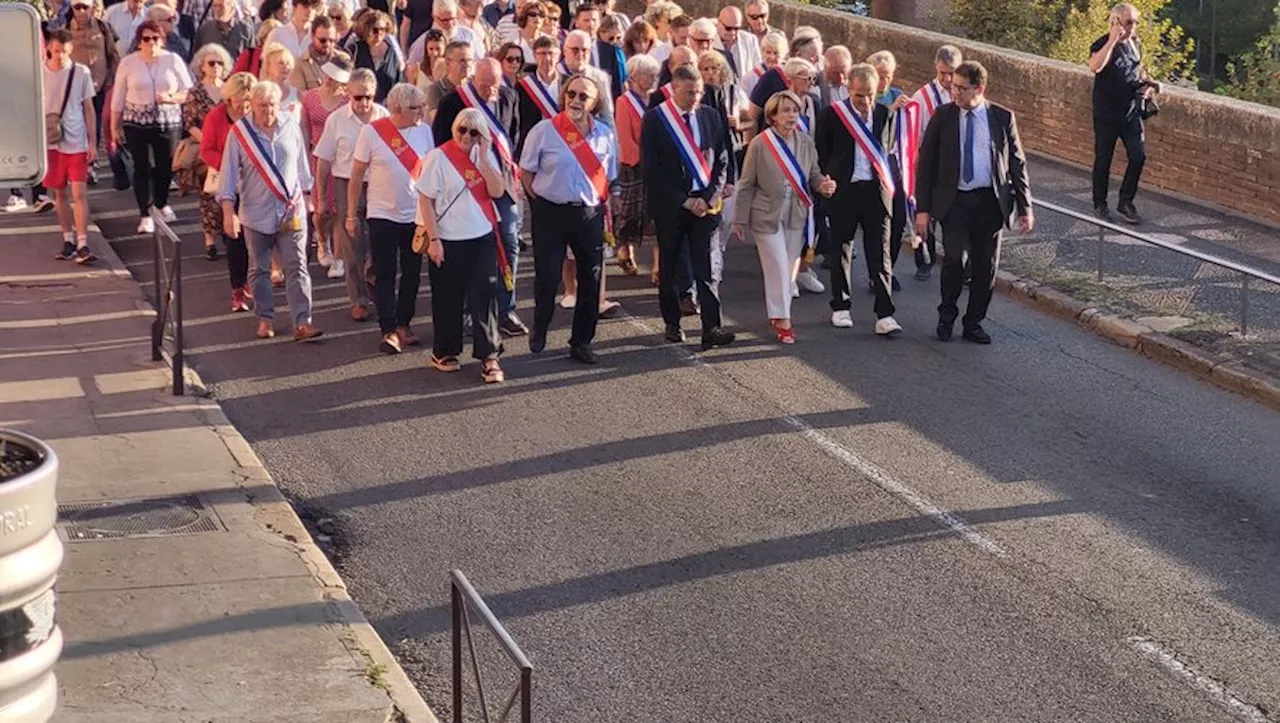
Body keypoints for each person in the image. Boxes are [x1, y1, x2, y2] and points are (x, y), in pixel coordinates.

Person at [915, 61, 1033, 345]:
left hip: (990, 202)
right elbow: (926, 164)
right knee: (954, 259)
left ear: (979, 88)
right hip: (954, 201)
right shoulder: (943, 116)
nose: (954, 92)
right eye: (953, 86)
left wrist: (1025, 207)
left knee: (985, 267)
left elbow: (1016, 163)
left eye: (961, 88)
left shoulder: (1002, 118)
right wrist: (923, 210)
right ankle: (947, 317)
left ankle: (974, 323)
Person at [519, 73, 619, 364]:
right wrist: (538, 203)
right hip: (550, 209)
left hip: (588, 212)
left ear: (595, 102)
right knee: (548, 276)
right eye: (571, 94)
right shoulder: (544, 130)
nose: (575, 100)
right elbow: (526, 171)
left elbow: (608, 176)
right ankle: (540, 325)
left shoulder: (604, 134)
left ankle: (582, 340)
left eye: (583, 96)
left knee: (591, 276)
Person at [217, 80, 324, 341]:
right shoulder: (240, 134)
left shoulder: (290, 126)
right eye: (262, 106)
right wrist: (228, 211)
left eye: (273, 105)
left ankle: (303, 321)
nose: (268, 111)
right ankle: (265, 319)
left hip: (291, 209)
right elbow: (228, 175)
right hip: (256, 213)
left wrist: (310, 199)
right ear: (251, 105)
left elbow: (301, 166)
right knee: (260, 269)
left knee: (297, 265)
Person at [432, 57, 527, 336]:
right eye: (484, 86)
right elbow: (441, 142)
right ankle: (468, 310)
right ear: (474, 79)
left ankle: (505, 308)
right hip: (466, 186)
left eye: (493, 85)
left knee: (509, 245)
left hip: (501, 183)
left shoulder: (509, 96)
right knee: (470, 249)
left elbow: (513, 135)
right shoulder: (453, 102)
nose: (489, 92)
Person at [641, 65, 734, 351]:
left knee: (707, 268)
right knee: (669, 266)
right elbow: (652, 169)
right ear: (674, 90)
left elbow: (721, 159)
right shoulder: (656, 119)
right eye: (689, 92)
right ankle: (672, 322)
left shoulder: (709, 116)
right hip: (672, 206)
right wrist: (683, 199)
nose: (695, 97)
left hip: (704, 205)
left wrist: (708, 197)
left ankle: (711, 327)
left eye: (698, 92)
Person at [732, 91, 835, 343]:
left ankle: (781, 312)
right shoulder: (760, 143)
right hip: (766, 213)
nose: (791, 116)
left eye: (795, 111)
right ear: (773, 116)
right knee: (777, 264)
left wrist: (824, 185)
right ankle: (782, 317)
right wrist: (739, 218)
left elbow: (814, 175)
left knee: (789, 267)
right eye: (785, 111)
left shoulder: (805, 142)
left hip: (796, 212)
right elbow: (746, 183)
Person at [415, 108, 508, 380]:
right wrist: (434, 240)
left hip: (480, 237)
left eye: (474, 132)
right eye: (462, 130)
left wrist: (484, 160)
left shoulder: (485, 156)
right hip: (447, 239)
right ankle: (445, 350)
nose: (467, 136)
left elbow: (497, 191)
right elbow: (426, 200)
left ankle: (489, 357)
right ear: (453, 130)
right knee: (447, 299)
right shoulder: (438, 157)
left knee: (485, 298)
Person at [348, 82, 434, 354]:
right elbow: (357, 174)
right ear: (396, 108)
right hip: (382, 214)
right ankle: (388, 329)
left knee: (411, 273)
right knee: (385, 273)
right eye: (415, 108)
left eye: (423, 107)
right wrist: (351, 214)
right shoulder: (372, 133)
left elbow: (430, 173)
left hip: (415, 215)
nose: (421, 112)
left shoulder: (425, 131)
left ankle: (404, 324)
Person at [817, 62, 901, 335]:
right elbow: (822, 152)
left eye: (869, 94)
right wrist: (825, 181)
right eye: (858, 95)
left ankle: (885, 314)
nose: (865, 101)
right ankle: (840, 306)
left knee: (880, 253)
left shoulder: (885, 114)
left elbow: (888, 152)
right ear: (848, 91)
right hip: (845, 190)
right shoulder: (833, 115)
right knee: (842, 248)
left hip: (875, 192)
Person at [314, 68, 388, 322]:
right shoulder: (336, 120)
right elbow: (323, 161)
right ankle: (358, 300)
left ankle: (377, 288)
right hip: (346, 184)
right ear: (348, 94)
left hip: (379, 183)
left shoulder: (384, 117)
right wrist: (322, 199)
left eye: (368, 96)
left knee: (380, 242)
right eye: (358, 97)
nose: (363, 103)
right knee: (352, 245)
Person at [112, 19, 192, 234]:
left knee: (165, 167)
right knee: (142, 167)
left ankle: (161, 202)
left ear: (162, 40)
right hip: (136, 120)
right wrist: (114, 126)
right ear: (139, 42)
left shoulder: (173, 60)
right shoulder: (128, 63)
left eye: (155, 39)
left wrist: (171, 97)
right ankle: (145, 213)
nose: (151, 43)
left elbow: (189, 92)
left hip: (168, 121)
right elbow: (118, 97)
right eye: (146, 39)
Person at [1089, 2, 1152, 225]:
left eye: (1135, 22)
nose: (1133, 27)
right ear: (1115, 21)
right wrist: (1113, 39)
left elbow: (1137, 70)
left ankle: (1125, 201)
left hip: (1130, 112)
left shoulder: (1135, 44)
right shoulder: (1102, 43)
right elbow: (1095, 66)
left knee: (1138, 156)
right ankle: (1100, 204)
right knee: (1103, 159)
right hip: (1106, 114)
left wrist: (1146, 86)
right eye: (1128, 22)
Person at [199, 72, 256, 312]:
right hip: (229, 182)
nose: (244, 107)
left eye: (248, 102)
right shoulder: (216, 117)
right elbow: (206, 150)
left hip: (254, 182)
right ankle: (237, 288)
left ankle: (253, 281)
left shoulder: (256, 116)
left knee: (255, 237)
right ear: (229, 98)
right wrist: (229, 163)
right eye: (239, 101)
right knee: (235, 239)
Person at [43, 30, 98, 264]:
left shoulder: (81, 72)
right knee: (59, 192)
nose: (58, 57)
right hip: (51, 139)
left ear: (70, 50)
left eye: (63, 52)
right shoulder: (41, 72)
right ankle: (68, 239)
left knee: (79, 193)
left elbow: (89, 108)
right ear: (49, 49)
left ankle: (83, 241)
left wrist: (93, 142)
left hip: (75, 138)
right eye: (55, 52)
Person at [909, 43, 961, 281]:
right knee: (925, 214)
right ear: (936, 68)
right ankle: (924, 261)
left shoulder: (964, 91)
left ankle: (958, 262)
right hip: (931, 162)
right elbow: (915, 134)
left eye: (952, 73)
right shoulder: (922, 97)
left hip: (956, 164)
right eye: (943, 73)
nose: (948, 79)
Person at [302, 57, 353, 278]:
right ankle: (323, 242)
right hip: (317, 157)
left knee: (340, 211)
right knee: (321, 210)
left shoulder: (349, 99)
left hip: (341, 159)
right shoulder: (309, 98)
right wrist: (303, 161)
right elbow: (304, 131)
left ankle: (339, 258)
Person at [183, 43, 232, 259]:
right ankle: (209, 239)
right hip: (206, 149)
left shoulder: (229, 90)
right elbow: (189, 122)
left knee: (228, 192)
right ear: (202, 66)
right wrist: (206, 140)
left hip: (229, 147)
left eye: (220, 63)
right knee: (207, 195)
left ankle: (227, 233)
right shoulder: (195, 92)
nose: (216, 67)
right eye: (211, 63)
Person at [869, 49, 911, 289]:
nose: (885, 81)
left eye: (888, 75)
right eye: (880, 75)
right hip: (876, 167)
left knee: (898, 221)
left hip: (897, 166)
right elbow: (873, 129)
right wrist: (892, 110)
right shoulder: (866, 98)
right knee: (879, 223)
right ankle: (877, 272)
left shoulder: (898, 94)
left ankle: (889, 267)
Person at [614, 53, 658, 282]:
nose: (653, 78)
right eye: (648, 74)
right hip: (634, 166)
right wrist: (641, 160)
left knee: (654, 218)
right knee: (630, 215)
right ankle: (625, 250)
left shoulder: (656, 99)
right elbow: (625, 138)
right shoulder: (624, 102)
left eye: (654, 74)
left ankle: (658, 268)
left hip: (655, 167)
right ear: (634, 76)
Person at [562, 30, 614, 125]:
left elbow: (607, 115)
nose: (580, 54)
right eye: (575, 50)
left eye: (585, 50)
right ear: (565, 51)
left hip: (590, 134)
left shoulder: (600, 77)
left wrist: (612, 138)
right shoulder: (556, 75)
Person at [351, 9, 404, 102]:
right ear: (366, 29)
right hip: (360, 104)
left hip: (387, 108)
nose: (379, 34)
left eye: (383, 30)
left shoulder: (392, 51)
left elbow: (398, 82)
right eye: (375, 30)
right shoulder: (355, 49)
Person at [291, 16, 346, 91]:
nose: (327, 44)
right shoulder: (300, 63)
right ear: (312, 37)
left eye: (331, 40)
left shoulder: (343, 59)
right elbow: (300, 96)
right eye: (322, 40)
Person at [426, 40, 474, 121]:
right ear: (448, 63)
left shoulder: (475, 86)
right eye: (462, 61)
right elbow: (438, 121)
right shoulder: (437, 89)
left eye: (470, 60)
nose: (467, 65)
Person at [715, 6, 758, 83]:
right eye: (728, 28)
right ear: (718, 22)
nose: (733, 33)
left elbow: (758, 70)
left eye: (736, 28)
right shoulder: (710, 41)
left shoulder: (750, 40)